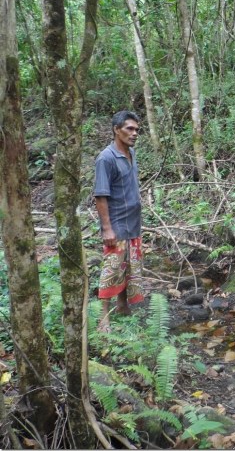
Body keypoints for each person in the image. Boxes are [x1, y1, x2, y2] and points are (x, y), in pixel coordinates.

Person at [94, 111, 145, 333]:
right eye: (129, 129)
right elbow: (101, 195)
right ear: (117, 129)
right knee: (112, 269)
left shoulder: (131, 153)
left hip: (133, 223)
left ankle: (122, 306)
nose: (134, 133)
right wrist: (107, 228)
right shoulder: (106, 158)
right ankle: (103, 317)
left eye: (136, 129)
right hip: (116, 224)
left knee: (128, 267)